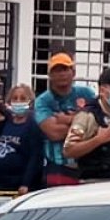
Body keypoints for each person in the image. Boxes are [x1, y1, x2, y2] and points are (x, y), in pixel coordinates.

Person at [34, 52, 97, 186]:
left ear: (73, 72)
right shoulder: (42, 101)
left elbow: (98, 123)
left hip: (89, 164)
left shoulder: (87, 93)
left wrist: (68, 119)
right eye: (56, 70)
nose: (61, 74)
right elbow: (54, 133)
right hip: (57, 165)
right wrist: (83, 123)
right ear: (50, 75)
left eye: (65, 69)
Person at [0, 83, 43, 193]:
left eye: (23, 98)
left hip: (17, 182)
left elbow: (35, 157)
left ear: (30, 102)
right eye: (15, 98)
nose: (18, 101)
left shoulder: (33, 125)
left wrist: (25, 183)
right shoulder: (7, 120)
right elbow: (1, 107)